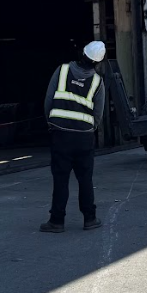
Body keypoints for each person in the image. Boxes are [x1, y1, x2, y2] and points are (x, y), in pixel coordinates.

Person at [40, 41, 108, 233]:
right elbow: (98, 114)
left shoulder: (62, 71)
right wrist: (88, 129)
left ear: (82, 53)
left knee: (60, 179)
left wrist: (52, 123)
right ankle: (90, 218)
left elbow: (48, 100)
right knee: (85, 178)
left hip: (60, 134)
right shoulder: (97, 82)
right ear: (98, 62)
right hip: (84, 137)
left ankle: (56, 221)